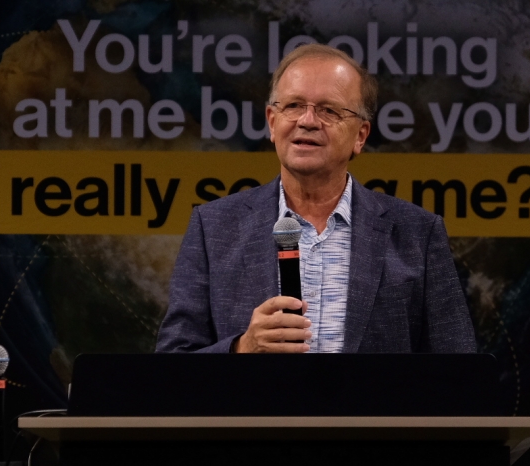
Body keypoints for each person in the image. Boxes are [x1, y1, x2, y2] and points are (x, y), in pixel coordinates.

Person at [155, 42, 477, 354]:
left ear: (360, 136)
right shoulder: (213, 228)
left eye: (329, 110)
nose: (307, 121)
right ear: (272, 122)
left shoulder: (418, 235)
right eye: (293, 105)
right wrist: (243, 348)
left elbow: (458, 372)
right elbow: (173, 363)